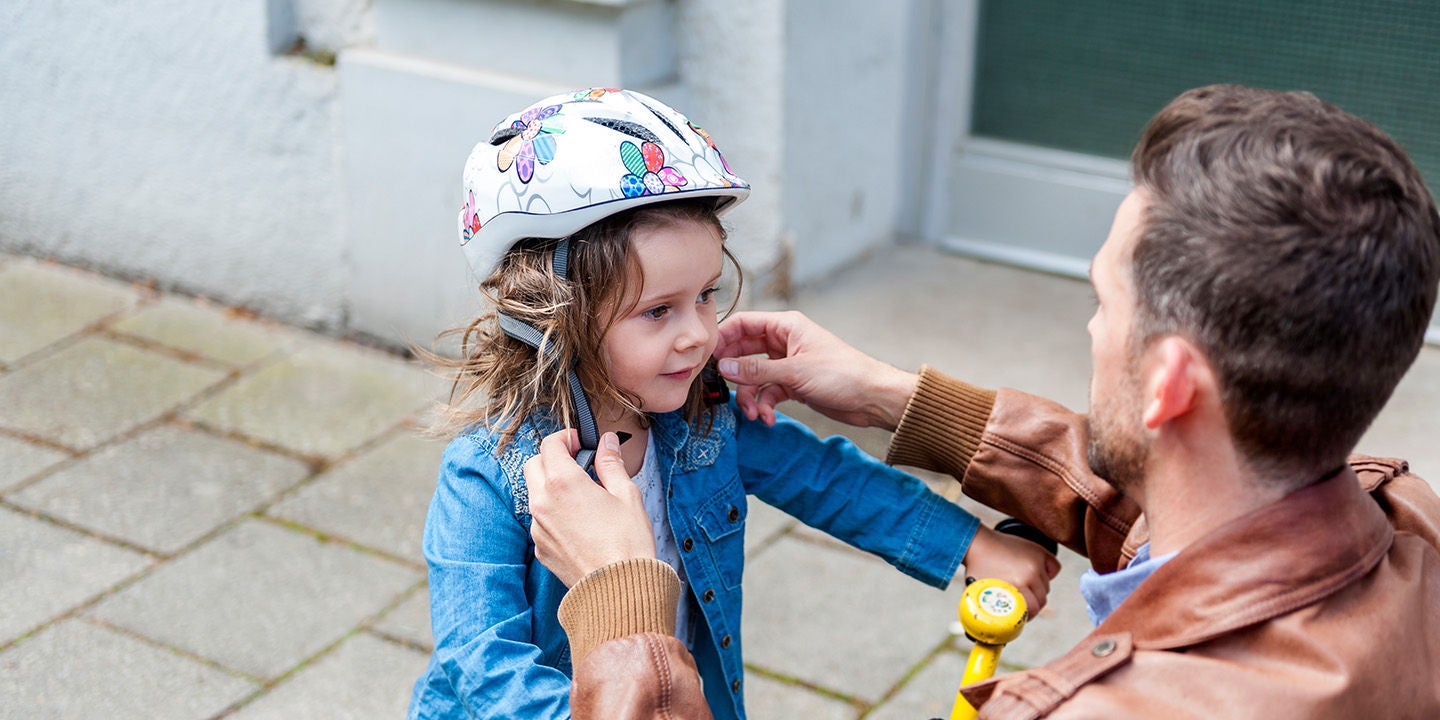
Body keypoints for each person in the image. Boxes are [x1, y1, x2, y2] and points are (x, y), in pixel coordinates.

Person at [532, 84, 1440, 718]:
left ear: (1170, 385)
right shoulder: (1408, 530)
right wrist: (897, 399)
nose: (1090, 332)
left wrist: (622, 608)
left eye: (1103, 303)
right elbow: (1192, 510)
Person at [404, 88, 1058, 720]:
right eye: (658, 311)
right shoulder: (487, 477)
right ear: (554, 319)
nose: (697, 333)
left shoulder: (702, 419)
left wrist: (969, 542)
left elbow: (826, 478)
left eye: (707, 294)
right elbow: (481, 668)